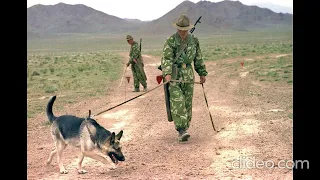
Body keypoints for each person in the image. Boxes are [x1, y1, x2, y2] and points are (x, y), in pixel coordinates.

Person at [161, 14, 208, 142]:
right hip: (174, 76)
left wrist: (202, 72)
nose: (182, 32)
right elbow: (166, 58)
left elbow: (198, 58)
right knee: (178, 102)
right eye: (180, 29)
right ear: (177, 28)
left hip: (188, 74)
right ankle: (181, 130)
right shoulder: (171, 41)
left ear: (188, 29)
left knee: (187, 103)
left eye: (184, 30)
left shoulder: (194, 40)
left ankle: (185, 127)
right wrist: (167, 73)